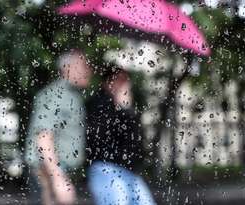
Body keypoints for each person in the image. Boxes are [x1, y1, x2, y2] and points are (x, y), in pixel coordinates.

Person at [25, 50, 92, 205]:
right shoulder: (57, 95)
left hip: (56, 170)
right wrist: (58, 178)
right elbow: (43, 136)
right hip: (47, 172)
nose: (89, 70)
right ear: (68, 68)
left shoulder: (72, 95)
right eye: (84, 65)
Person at [86, 69, 156, 205]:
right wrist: (121, 109)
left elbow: (135, 140)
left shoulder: (125, 105)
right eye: (119, 80)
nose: (124, 84)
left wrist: (126, 109)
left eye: (126, 80)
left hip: (129, 171)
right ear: (107, 83)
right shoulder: (97, 104)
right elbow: (98, 138)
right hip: (106, 168)